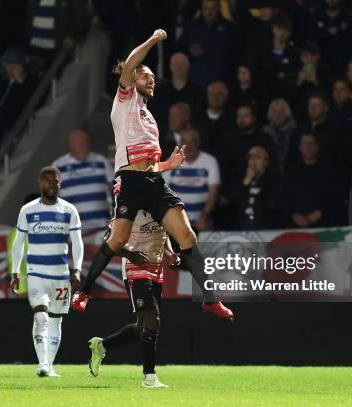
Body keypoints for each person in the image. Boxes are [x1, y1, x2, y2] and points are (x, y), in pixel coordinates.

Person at [71, 29, 233, 319]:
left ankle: (209, 298)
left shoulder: (149, 115)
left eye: (153, 78)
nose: (151, 80)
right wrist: (155, 40)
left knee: (187, 236)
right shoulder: (124, 100)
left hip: (153, 181)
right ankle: (83, 291)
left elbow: (151, 164)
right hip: (130, 180)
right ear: (133, 78)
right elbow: (132, 62)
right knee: (118, 240)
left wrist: (167, 166)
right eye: (146, 76)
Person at [88, 210, 178, 388]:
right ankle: (149, 377)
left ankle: (101, 346)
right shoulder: (129, 208)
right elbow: (108, 240)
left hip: (155, 269)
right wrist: (131, 254)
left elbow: (164, 234)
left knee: (142, 326)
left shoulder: (160, 205)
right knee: (153, 320)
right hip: (134, 267)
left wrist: (171, 254)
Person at [9, 166, 84, 377]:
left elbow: (77, 243)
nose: (52, 184)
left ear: (60, 184)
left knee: (56, 320)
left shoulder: (69, 210)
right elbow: (18, 242)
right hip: (36, 273)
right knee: (40, 316)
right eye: (48, 181)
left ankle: (49, 366)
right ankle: (42, 364)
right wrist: (15, 272)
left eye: (56, 181)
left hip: (61, 274)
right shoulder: (28, 210)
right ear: (40, 182)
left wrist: (77, 269)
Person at [52, 130, 114, 233]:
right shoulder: (58, 166)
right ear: (71, 146)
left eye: (86, 143)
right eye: (80, 144)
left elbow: (115, 187)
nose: (84, 147)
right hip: (73, 228)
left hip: (101, 226)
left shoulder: (101, 161)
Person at [163, 128, 220, 231]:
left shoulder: (210, 161)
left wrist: (205, 215)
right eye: (184, 142)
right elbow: (163, 193)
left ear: (198, 143)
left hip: (202, 219)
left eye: (191, 142)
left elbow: (213, 193)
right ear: (180, 144)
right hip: (176, 218)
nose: (188, 146)